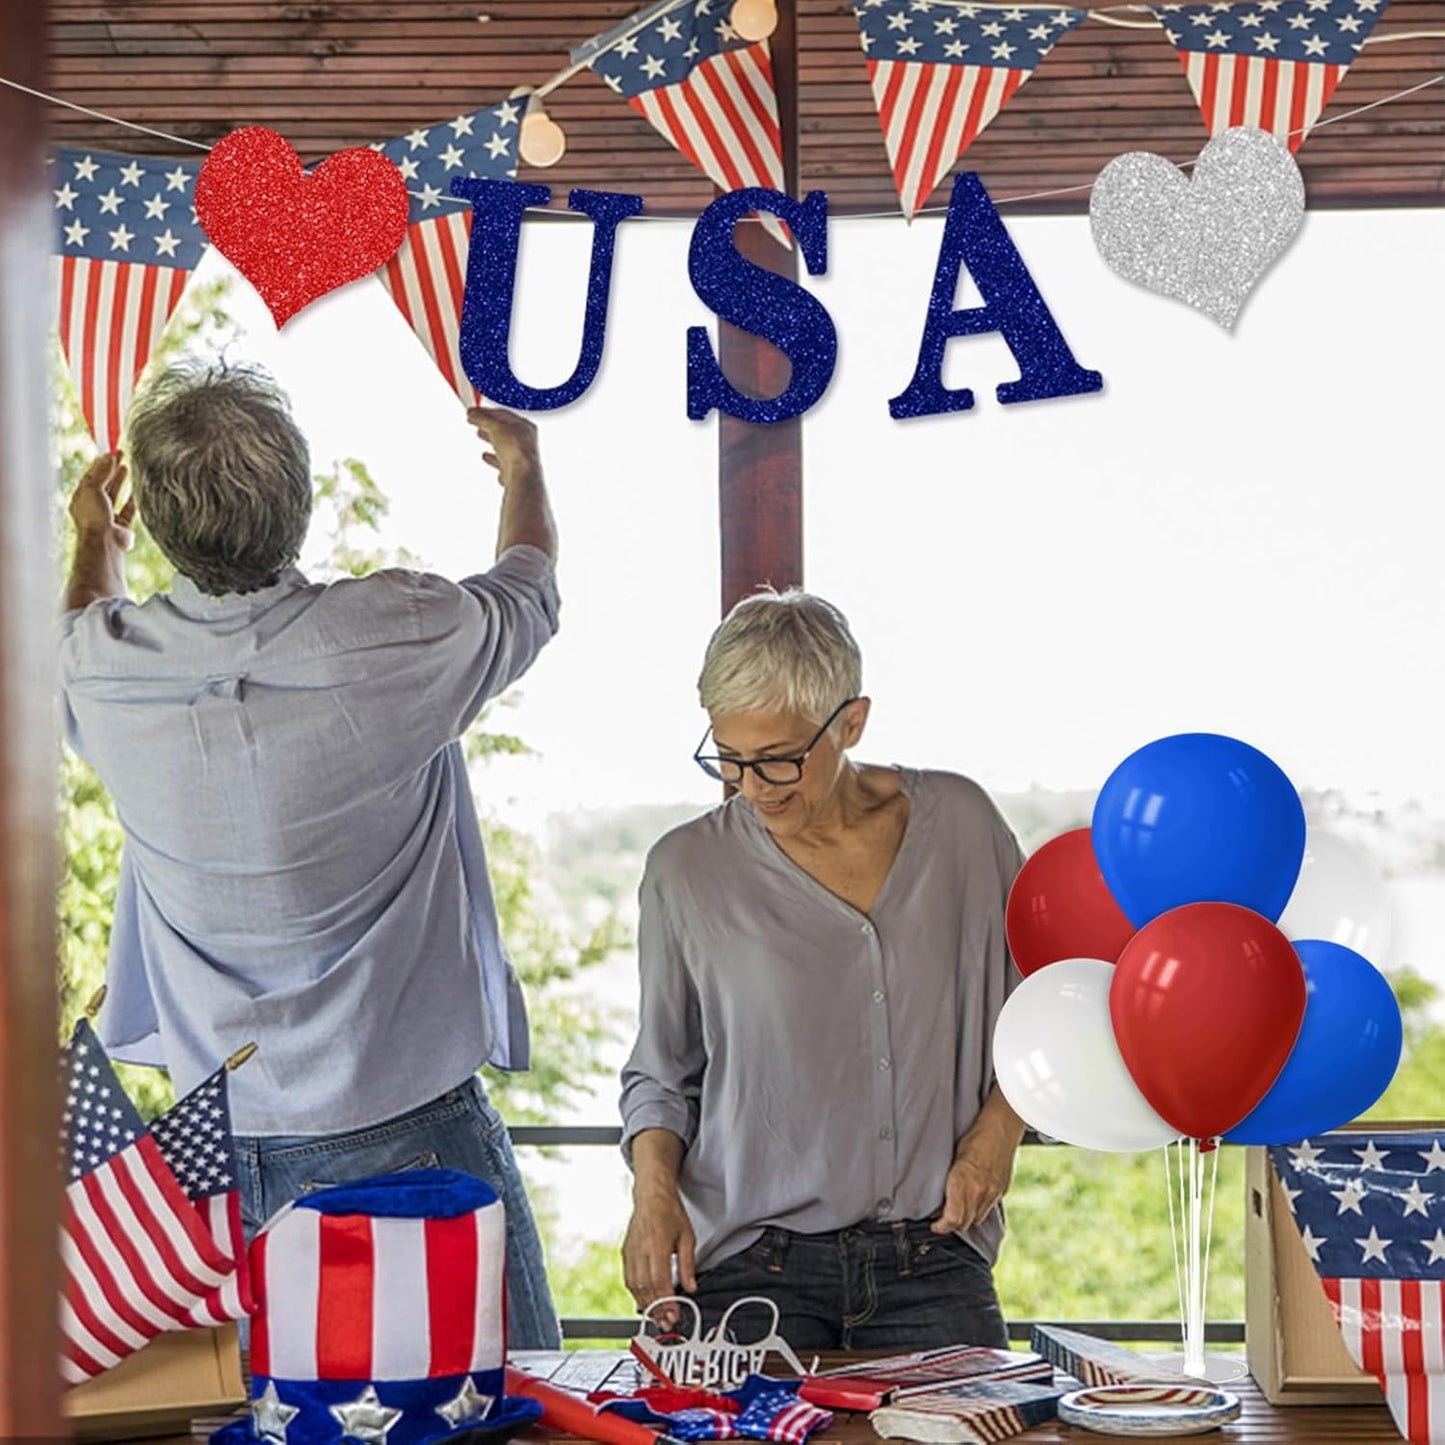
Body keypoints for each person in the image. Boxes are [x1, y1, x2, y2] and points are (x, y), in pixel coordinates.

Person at [59, 362, 562, 1348]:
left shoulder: (100, 669)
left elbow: (78, 623)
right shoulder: (397, 631)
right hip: (415, 1135)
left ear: (158, 523)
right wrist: (522, 471)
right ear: (300, 498)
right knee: (507, 1419)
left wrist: (93, 538)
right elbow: (529, 593)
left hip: (221, 1162)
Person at [619, 589, 1028, 1351]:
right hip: (748, 1265)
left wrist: (996, 1135)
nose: (753, 787)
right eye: (731, 758)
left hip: (934, 1254)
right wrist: (653, 1200)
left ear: (851, 722)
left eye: (777, 759)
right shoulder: (685, 869)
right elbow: (660, 1071)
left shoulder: (964, 829)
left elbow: (1040, 1015)